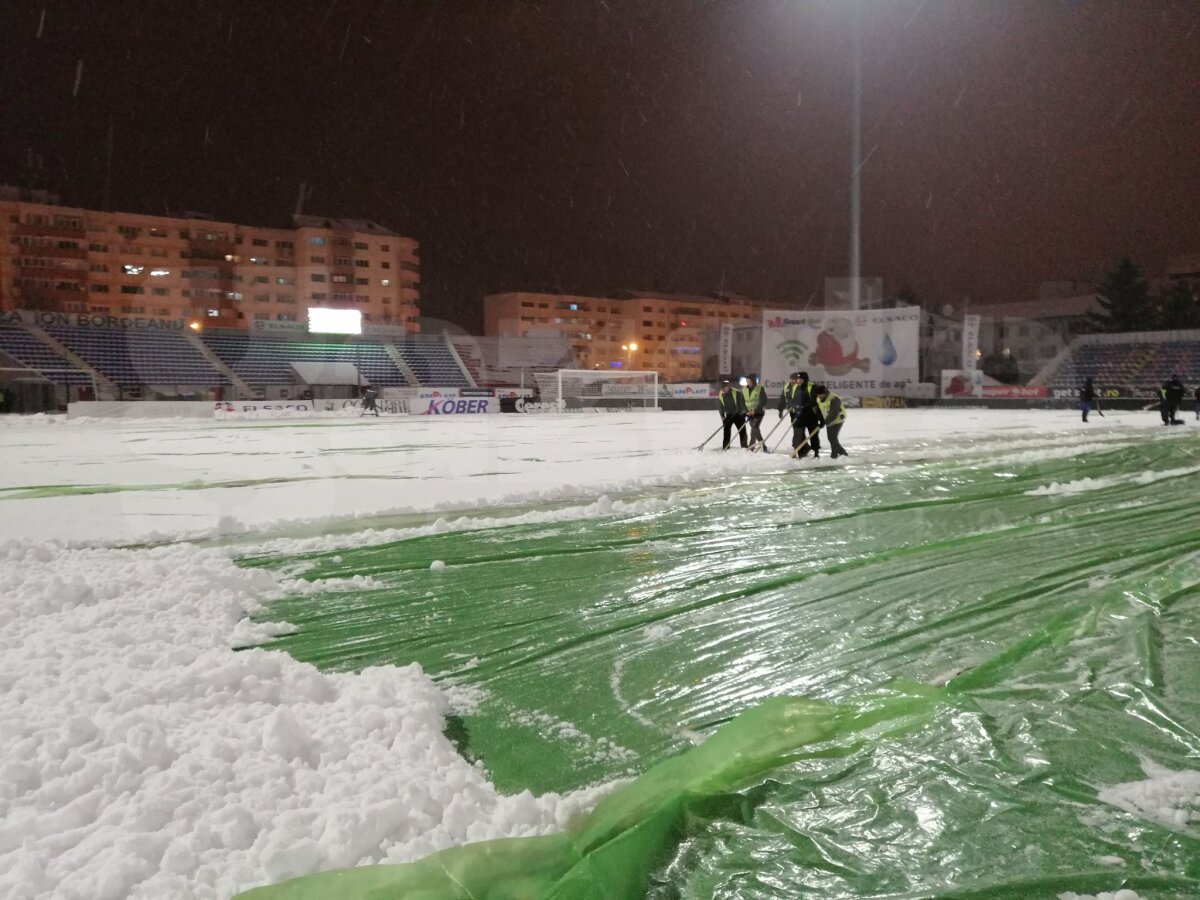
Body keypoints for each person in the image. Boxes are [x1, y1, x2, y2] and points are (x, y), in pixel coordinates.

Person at [814, 384, 848, 458]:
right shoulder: (819, 399)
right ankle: (842, 453)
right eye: (818, 395)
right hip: (828, 419)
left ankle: (835, 455)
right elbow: (819, 410)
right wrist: (820, 420)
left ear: (824, 393)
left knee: (832, 437)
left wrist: (825, 422)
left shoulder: (834, 399)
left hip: (838, 419)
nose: (819, 396)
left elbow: (833, 413)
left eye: (820, 395)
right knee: (831, 438)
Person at [717, 379, 747, 450]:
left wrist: (741, 413)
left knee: (742, 432)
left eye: (724, 388)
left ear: (728, 387)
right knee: (726, 432)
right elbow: (721, 407)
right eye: (722, 388)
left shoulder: (736, 393)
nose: (723, 390)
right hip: (728, 415)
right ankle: (726, 448)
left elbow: (740, 406)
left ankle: (744, 447)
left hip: (739, 415)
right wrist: (723, 417)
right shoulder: (721, 394)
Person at [742, 373, 769, 448]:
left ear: (753, 381)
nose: (748, 383)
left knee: (754, 428)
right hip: (749, 413)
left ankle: (751, 446)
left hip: (758, 413)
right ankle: (763, 446)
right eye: (747, 381)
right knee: (755, 430)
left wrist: (755, 411)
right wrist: (746, 411)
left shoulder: (760, 388)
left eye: (749, 381)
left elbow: (763, 401)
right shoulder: (744, 389)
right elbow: (742, 402)